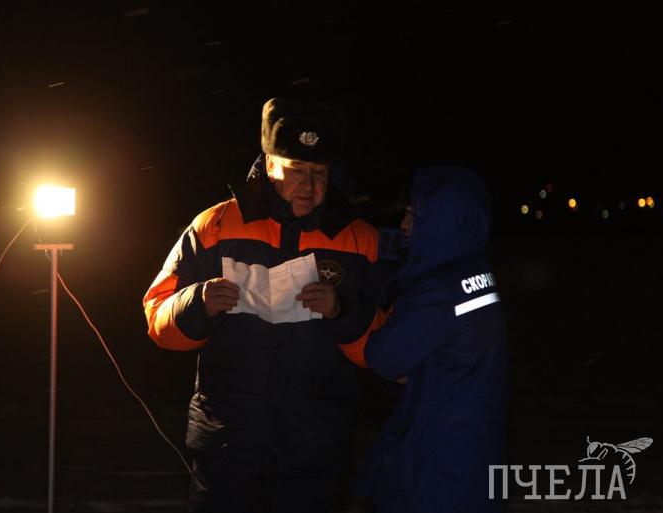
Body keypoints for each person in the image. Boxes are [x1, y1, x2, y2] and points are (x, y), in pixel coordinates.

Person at [142, 98, 385, 513]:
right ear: (270, 164)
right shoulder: (215, 226)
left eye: (319, 172)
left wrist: (344, 312)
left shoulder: (360, 240)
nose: (308, 185)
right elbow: (157, 319)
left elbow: (386, 347)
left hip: (315, 452)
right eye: (296, 170)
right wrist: (197, 303)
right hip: (227, 449)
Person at [356, 165, 508, 512]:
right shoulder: (476, 271)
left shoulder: (437, 291)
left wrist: (350, 311)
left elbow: (383, 357)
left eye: (413, 215)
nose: (404, 225)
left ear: (440, 222)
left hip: (437, 464)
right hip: (473, 448)